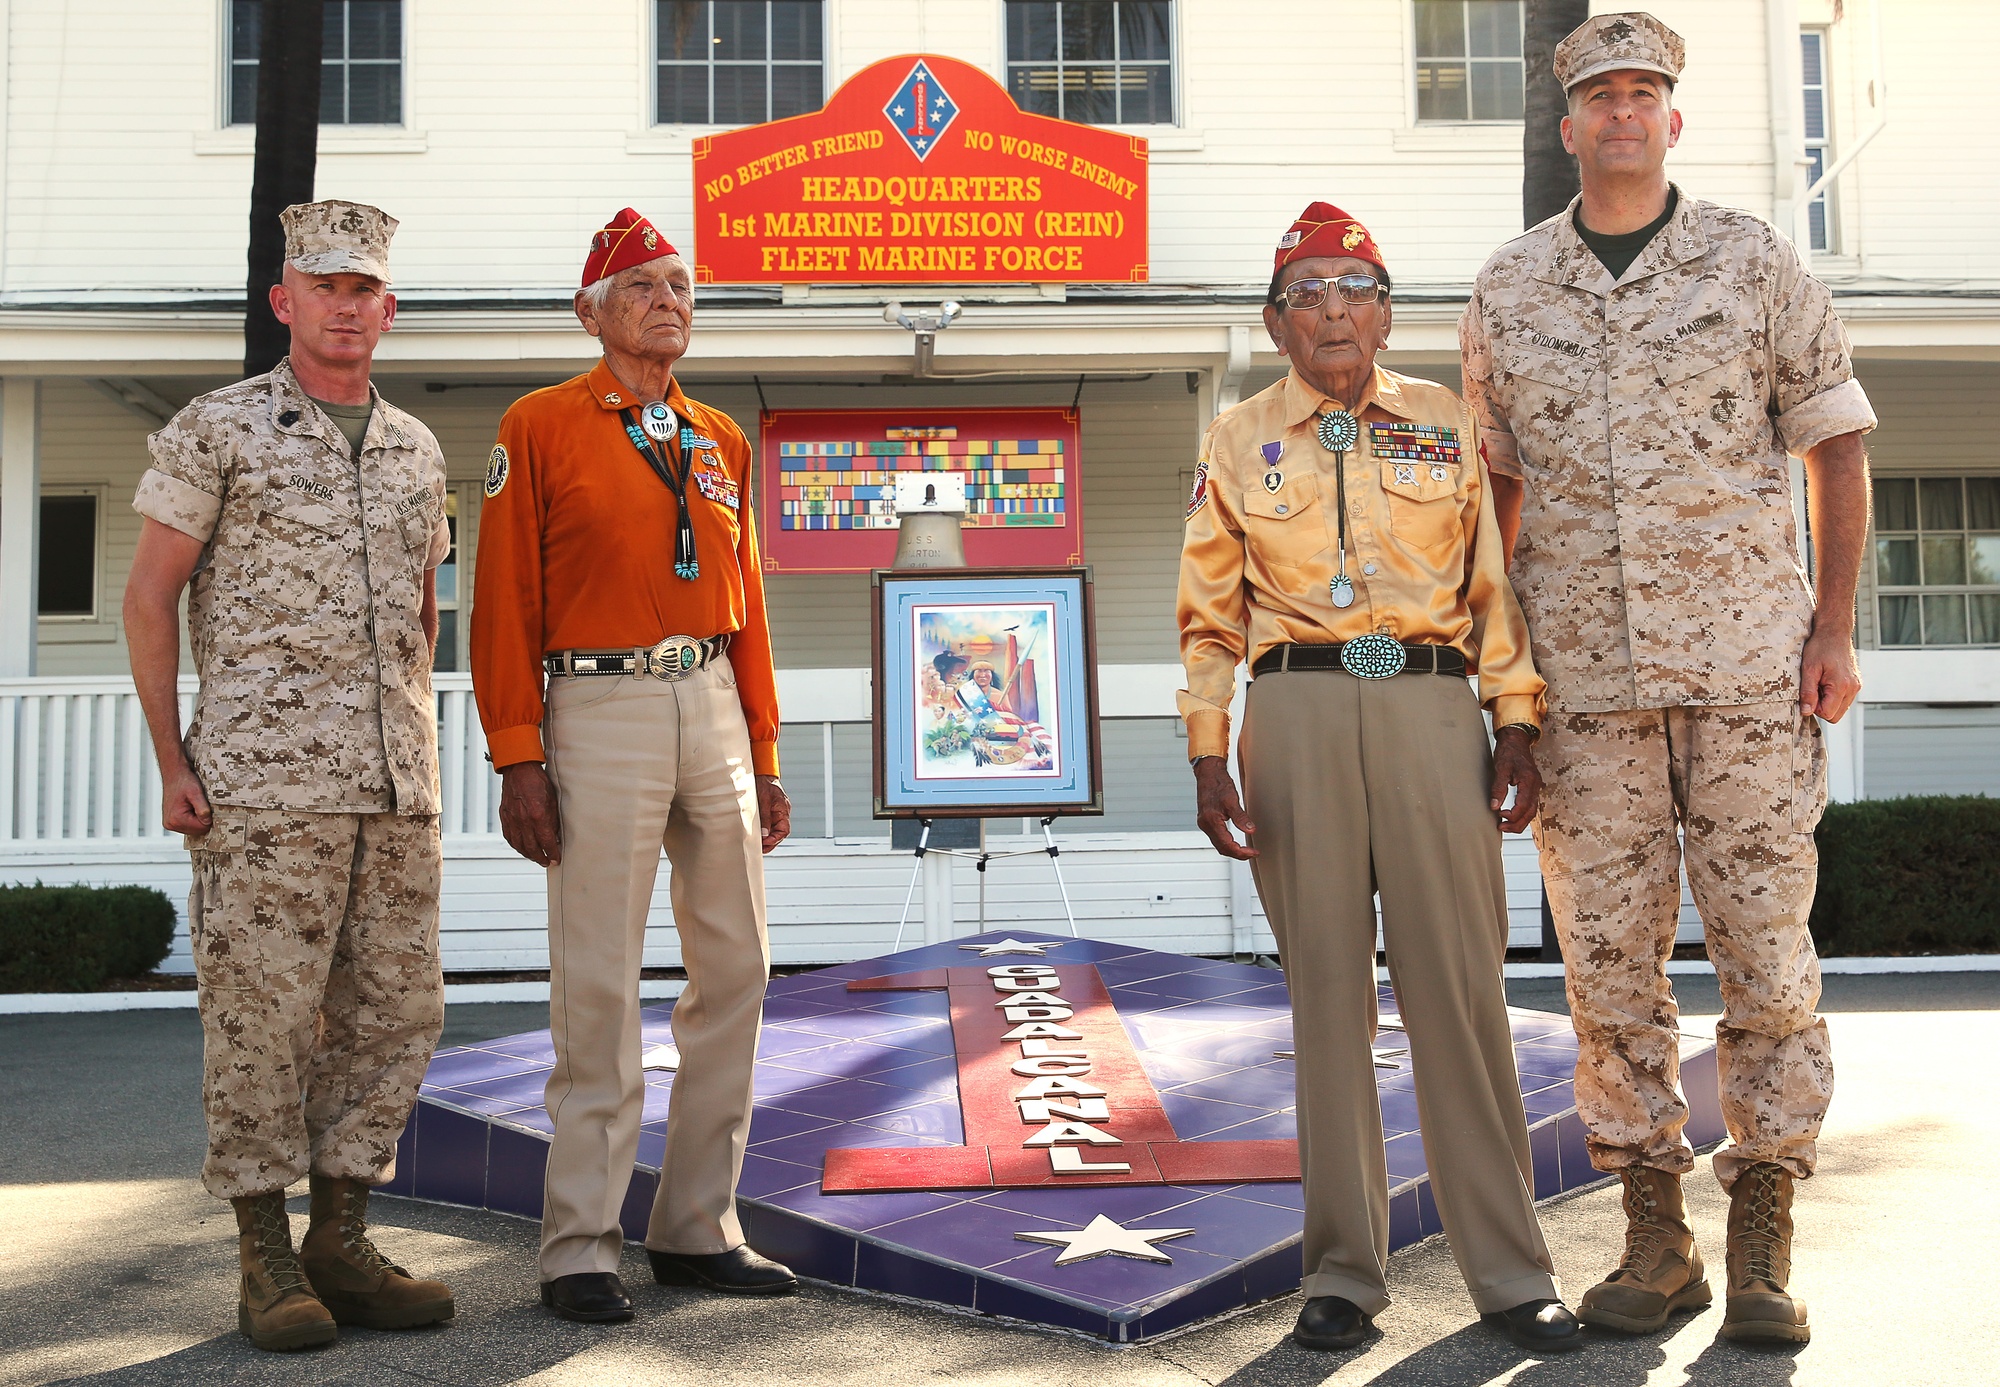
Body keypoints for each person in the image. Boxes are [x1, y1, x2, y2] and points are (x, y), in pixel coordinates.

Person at [1460, 13, 1876, 1347]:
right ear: (1571, 126)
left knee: (1768, 952)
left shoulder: (1754, 263)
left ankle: (1763, 1229)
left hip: (1752, 674)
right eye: (1602, 97)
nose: (1625, 114)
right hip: (1584, 692)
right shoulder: (1510, 288)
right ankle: (1654, 1230)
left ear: (1673, 120)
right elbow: (1491, 501)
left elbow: (1837, 446)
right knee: (1607, 969)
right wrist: (1503, 688)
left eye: (1647, 93)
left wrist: (1834, 632)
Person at [1178, 203, 1579, 1354]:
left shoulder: (1445, 421)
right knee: (1325, 1004)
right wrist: (1209, 752)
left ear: (1386, 310)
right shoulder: (1235, 434)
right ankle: (1342, 1273)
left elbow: (1492, 588)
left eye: (1353, 285)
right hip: (1292, 708)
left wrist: (1512, 722)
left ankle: (1508, 1273)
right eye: (1307, 290)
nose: (1332, 308)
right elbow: (1208, 615)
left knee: (1457, 993)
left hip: (1426, 706)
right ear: (1274, 321)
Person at [123, 201, 455, 1351]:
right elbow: (150, 597)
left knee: (396, 1013)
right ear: (284, 301)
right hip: (262, 783)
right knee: (263, 1017)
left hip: (395, 783)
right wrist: (173, 756)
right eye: (324, 285)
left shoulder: (416, 447)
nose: (346, 305)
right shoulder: (218, 428)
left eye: (364, 288)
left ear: (388, 307)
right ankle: (263, 1252)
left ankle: (342, 1239)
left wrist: (417, 746)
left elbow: (421, 611)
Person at [470, 209, 795, 1325]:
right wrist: (518, 752)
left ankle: (698, 1225)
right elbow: (502, 600)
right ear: (592, 311)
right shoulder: (540, 424)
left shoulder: (718, 436)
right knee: (601, 979)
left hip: (707, 698)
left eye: (681, 285)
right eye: (643, 285)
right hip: (595, 701)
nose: (669, 300)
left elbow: (746, 607)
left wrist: (763, 745)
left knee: (739, 968)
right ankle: (578, 1244)